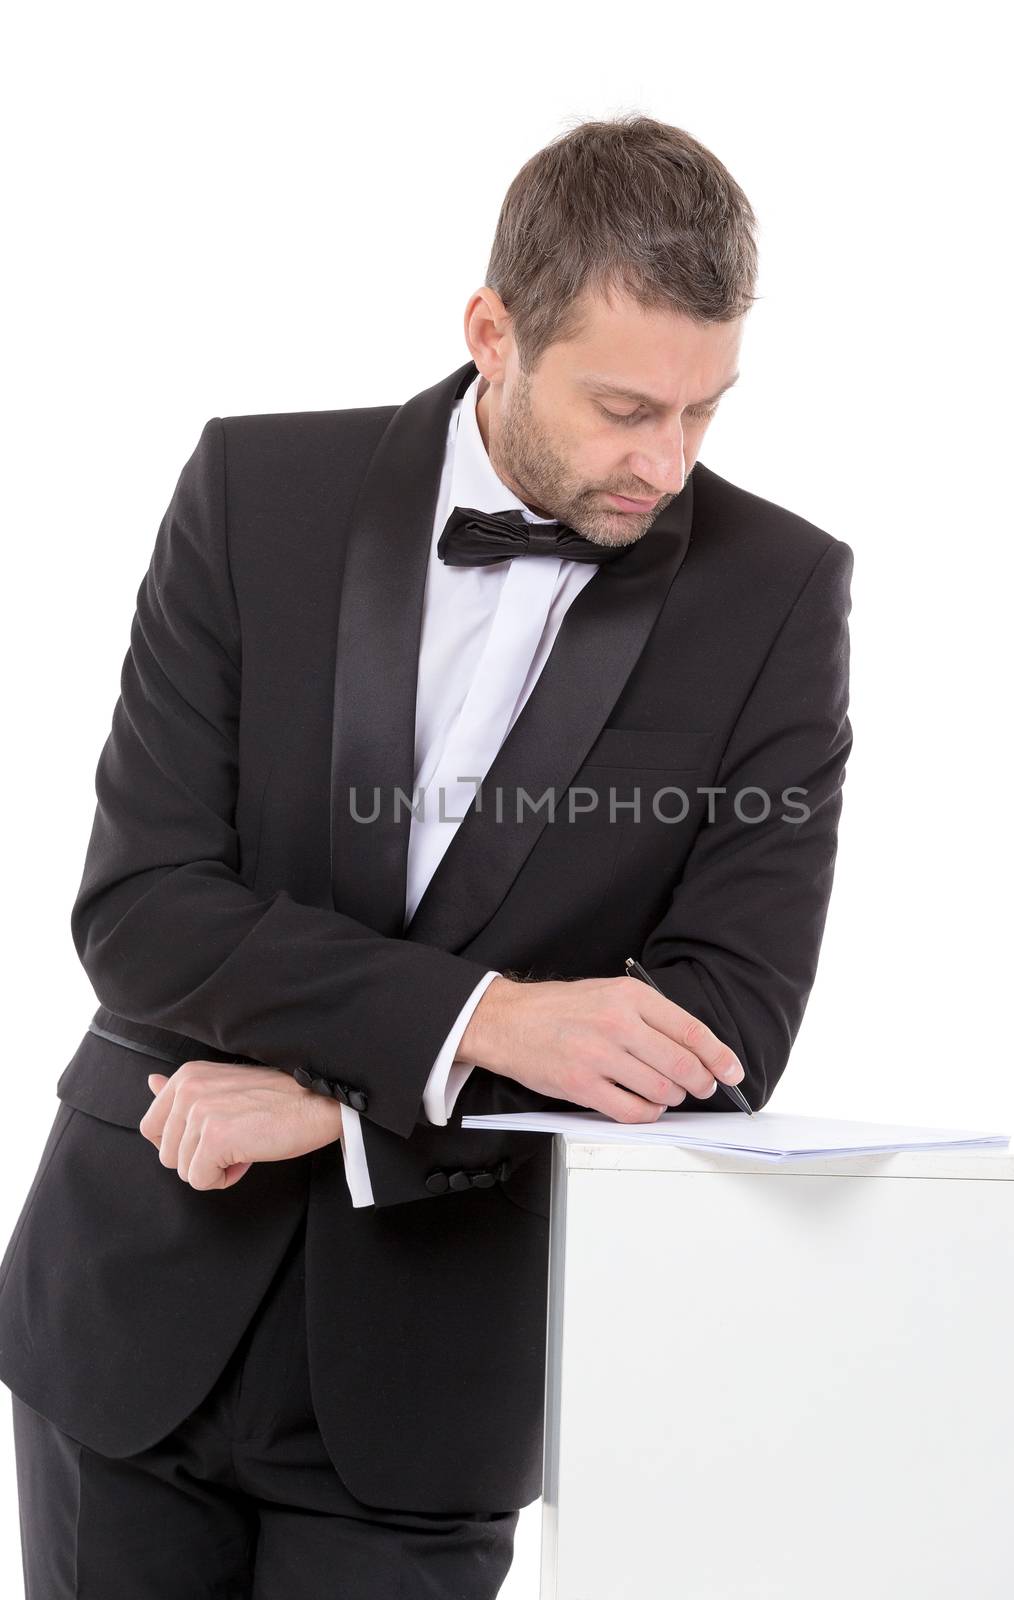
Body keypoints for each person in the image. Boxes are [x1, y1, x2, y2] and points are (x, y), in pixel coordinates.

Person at [0, 112, 853, 1597]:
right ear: (491, 331)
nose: (666, 463)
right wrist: (489, 1024)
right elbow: (143, 907)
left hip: (425, 1389)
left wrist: (344, 1113)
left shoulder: (777, 594)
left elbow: (725, 1025)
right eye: (623, 407)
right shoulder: (253, 492)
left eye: (705, 412)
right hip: (129, 1309)